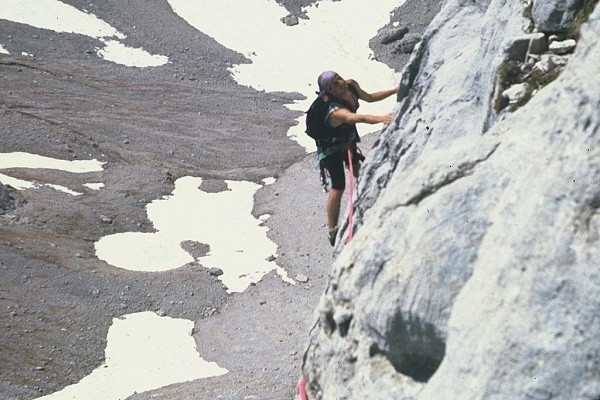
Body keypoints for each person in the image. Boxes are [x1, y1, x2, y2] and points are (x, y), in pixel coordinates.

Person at [312, 70, 398, 245]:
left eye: (339, 78)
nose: (341, 82)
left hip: (346, 139)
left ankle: (375, 196)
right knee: (338, 185)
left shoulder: (351, 85)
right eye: (335, 84)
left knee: (361, 170)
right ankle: (333, 230)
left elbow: (370, 97)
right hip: (330, 149)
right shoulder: (334, 112)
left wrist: (396, 90)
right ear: (330, 91)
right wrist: (382, 119)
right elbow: (357, 117)